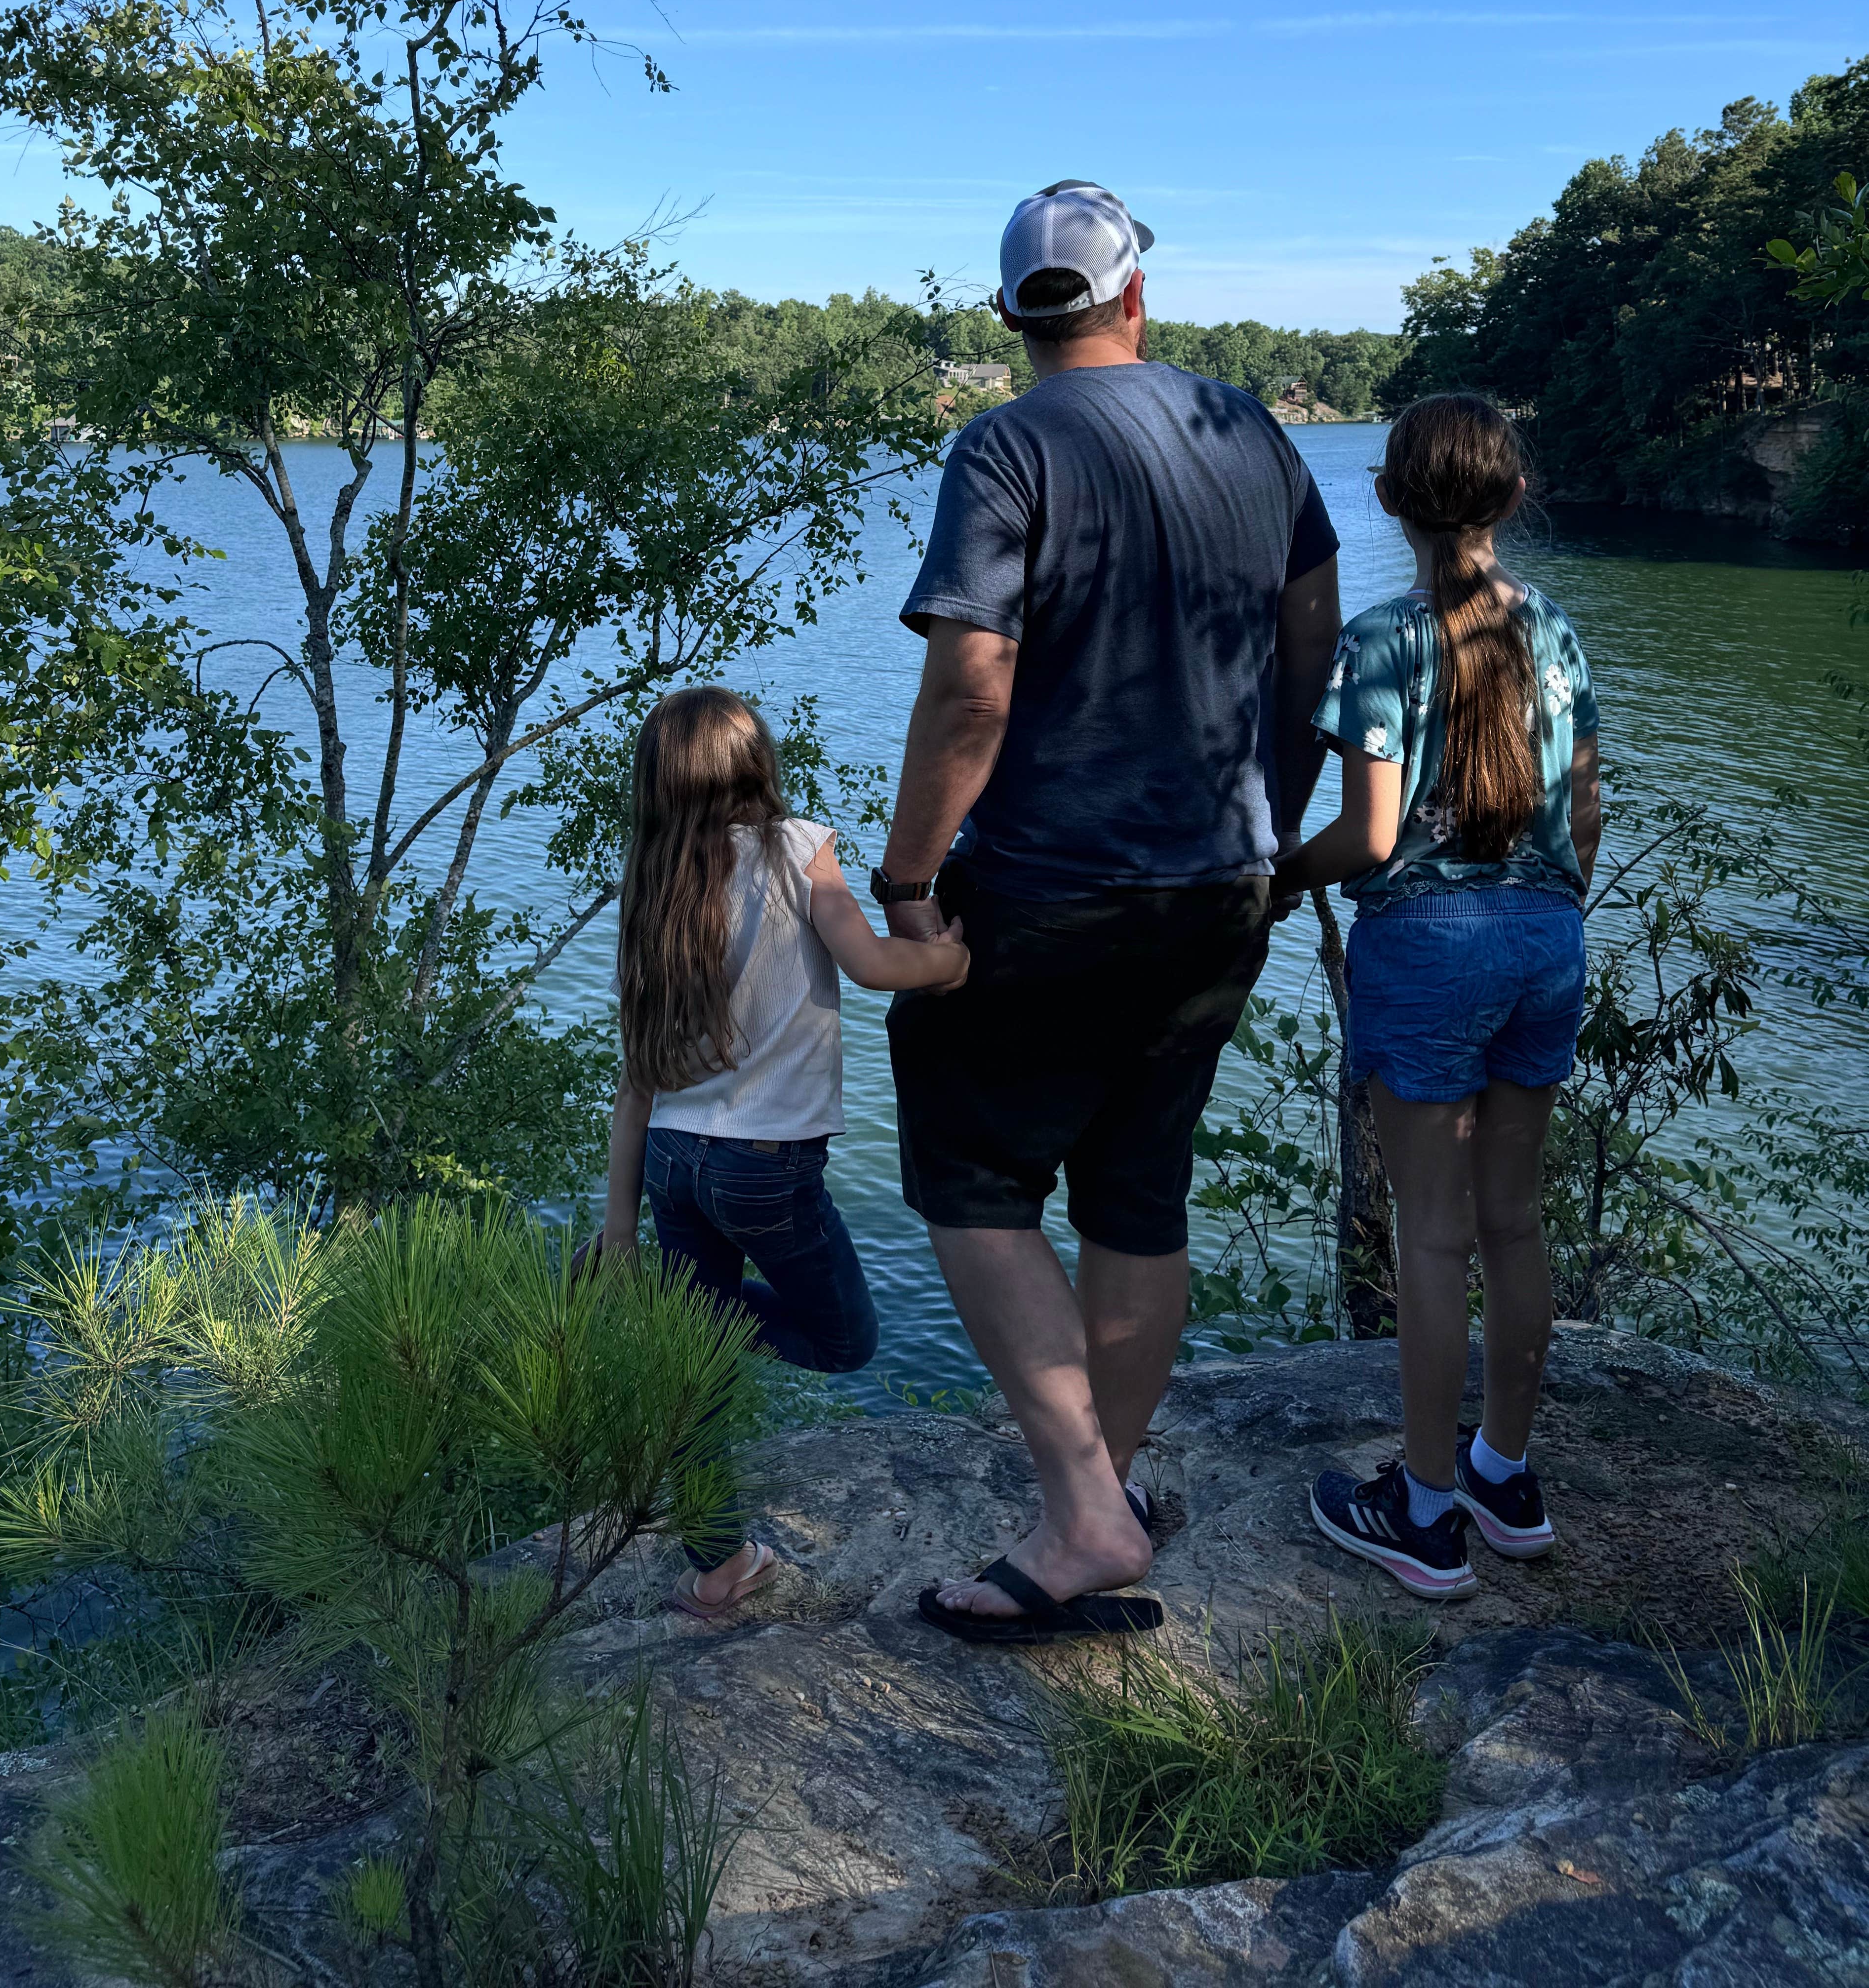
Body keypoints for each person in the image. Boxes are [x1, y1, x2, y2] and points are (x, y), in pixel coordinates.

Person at [877, 181, 1342, 1644]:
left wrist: (903, 883)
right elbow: (1310, 628)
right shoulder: (1248, 433)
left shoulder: (1007, 442)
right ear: (1136, 293)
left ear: (1012, 315)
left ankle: (1081, 1510)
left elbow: (971, 681)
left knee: (971, 1175)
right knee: (1137, 1189)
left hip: (1050, 890)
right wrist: (1264, 804)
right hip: (1220, 886)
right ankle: (1109, 1498)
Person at [1277, 393, 1600, 1600]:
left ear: (1388, 499)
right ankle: (1504, 1478)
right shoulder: (1558, 631)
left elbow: (1366, 839)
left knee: (1433, 1232)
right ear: (1514, 496)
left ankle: (1418, 1511)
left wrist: (1276, 880)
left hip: (1427, 944)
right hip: (1545, 938)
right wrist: (1541, 916)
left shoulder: (1379, 642)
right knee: (1512, 1219)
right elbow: (1585, 817)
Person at [597, 685, 969, 1619]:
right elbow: (875, 963)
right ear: (758, 766)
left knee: (695, 1375)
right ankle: (705, 1321)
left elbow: (635, 1079)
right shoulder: (799, 847)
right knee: (846, 1340)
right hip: (765, 1164)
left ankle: (719, 1567)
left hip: (676, 1160)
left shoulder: (653, 885)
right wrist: (955, 962)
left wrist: (618, 1231)